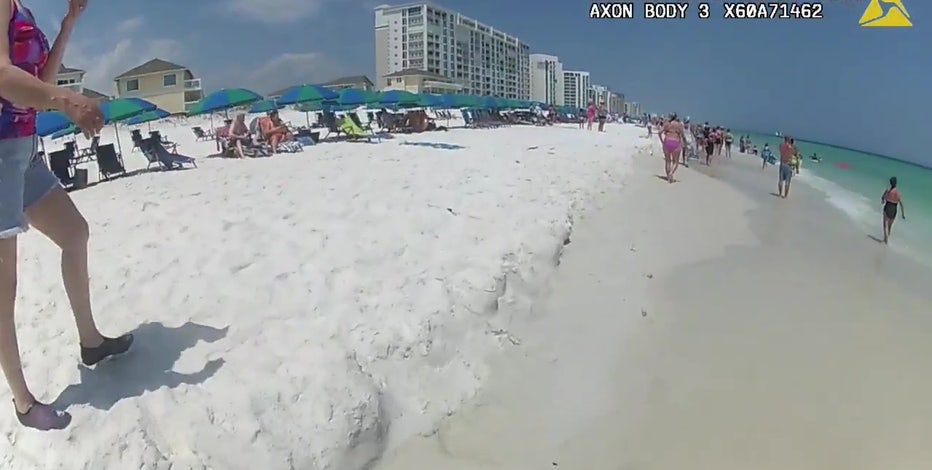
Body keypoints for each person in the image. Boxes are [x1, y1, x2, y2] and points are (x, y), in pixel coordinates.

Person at [0, 0, 132, 431]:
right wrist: (69, 101)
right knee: (5, 285)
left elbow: (40, 83)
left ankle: (91, 342)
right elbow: (2, 75)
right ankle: (23, 402)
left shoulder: (21, 8)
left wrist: (68, 25)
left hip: (24, 150)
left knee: (75, 234)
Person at [659, 113, 684, 183]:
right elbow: (683, 135)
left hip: (667, 141)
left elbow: (659, 132)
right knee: (675, 162)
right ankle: (671, 173)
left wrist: (661, 140)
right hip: (676, 142)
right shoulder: (679, 125)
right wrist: (685, 144)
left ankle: (668, 177)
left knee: (667, 161)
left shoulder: (667, 124)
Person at [880, 177, 905, 244]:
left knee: (884, 224)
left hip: (887, 207)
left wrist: (883, 201)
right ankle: (888, 236)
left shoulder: (887, 190)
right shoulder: (898, 193)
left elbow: (882, 197)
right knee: (890, 226)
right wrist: (903, 214)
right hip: (894, 209)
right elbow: (901, 204)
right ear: (896, 183)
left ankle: (885, 237)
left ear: (890, 183)